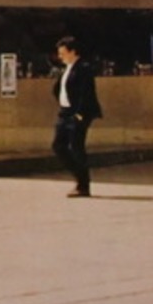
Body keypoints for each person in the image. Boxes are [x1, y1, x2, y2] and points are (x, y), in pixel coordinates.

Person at [51, 36, 101, 198]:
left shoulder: (83, 68)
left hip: (78, 113)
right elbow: (59, 89)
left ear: (73, 52)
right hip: (64, 112)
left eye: (63, 53)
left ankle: (83, 184)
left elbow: (86, 94)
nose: (60, 56)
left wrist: (79, 114)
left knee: (76, 147)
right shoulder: (66, 68)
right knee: (58, 146)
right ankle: (79, 176)